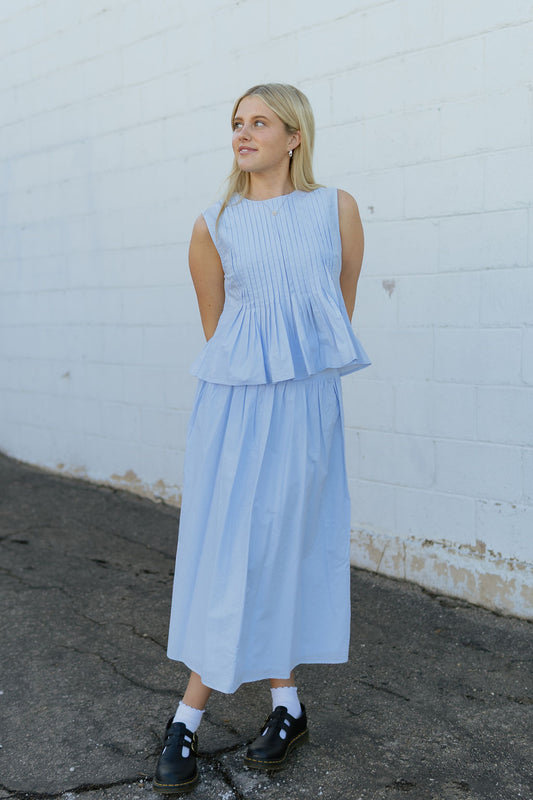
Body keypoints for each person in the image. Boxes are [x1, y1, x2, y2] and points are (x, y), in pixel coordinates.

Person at [153, 83, 371, 794]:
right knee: (230, 550)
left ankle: (287, 708)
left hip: (307, 408)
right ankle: (186, 717)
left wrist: (299, 392)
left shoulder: (333, 209)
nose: (242, 134)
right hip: (236, 409)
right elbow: (220, 335)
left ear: (294, 136)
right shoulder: (212, 223)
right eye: (236, 124)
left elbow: (333, 314)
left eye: (259, 122)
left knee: (286, 548)